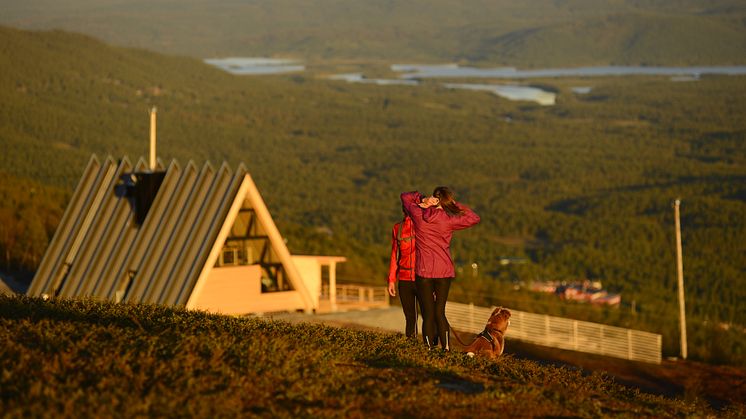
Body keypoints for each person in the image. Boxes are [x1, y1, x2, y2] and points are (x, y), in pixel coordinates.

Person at [401, 186, 480, 350]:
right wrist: (453, 204)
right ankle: (446, 349)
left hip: (424, 271)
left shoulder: (418, 214)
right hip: (444, 272)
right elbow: (474, 218)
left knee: (428, 314)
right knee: (440, 312)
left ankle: (429, 348)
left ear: (434, 199)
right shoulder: (450, 220)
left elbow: (405, 197)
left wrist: (423, 199)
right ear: (445, 200)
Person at [387, 208, 418, 338]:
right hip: (405, 278)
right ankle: (414, 348)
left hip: (421, 278)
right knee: (411, 317)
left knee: (426, 316)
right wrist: (391, 279)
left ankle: (429, 349)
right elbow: (395, 254)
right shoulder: (397, 228)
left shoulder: (423, 226)